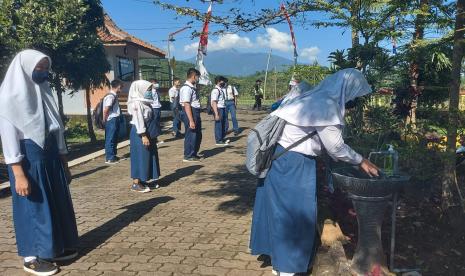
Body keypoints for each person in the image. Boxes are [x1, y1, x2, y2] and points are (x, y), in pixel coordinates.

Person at [249, 68, 380, 276]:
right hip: (294, 164)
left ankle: (279, 262)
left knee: (279, 212)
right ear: (347, 90)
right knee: (296, 214)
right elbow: (335, 146)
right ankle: (288, 269)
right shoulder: (326, 105)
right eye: (355, 96)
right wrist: (361, 161)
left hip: (280, 159)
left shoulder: (315, 96)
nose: (354, 102)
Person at [0, 49, 79, 276]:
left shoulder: (45, 92)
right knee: (33, 206)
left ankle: (54, 248)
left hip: (51, 157)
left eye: (46, 68)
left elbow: (57, 130)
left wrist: (64, 163)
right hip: (29, 160)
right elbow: (9, 139)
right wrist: (19, 174)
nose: (43, 72)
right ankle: (32, 256)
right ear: (25, 67)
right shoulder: (8, 97)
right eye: (38, 68)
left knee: (54, 203)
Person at [127, 80, 160, 193]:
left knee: (147, 156)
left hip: (147, 131)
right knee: (139, 157)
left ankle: (143, 180)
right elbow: (138, 120)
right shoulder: (137, 103)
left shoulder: (145, 102)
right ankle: (136, 183)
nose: (150, 92)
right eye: (148, 89)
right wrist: (143, 135)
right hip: (140, 133)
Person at [180, 68, 202, 162]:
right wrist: (191, 120)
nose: (198, 79)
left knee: (197, 134)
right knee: (191, 134)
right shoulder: (186, 88)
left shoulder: (192, 87)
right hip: (190, 112)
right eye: (197, 77)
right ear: (194, 76)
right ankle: (188, 155)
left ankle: (193, 153)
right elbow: (186, 104)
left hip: (195, 111)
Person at [103, 79, 124, 164]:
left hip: (114, 118)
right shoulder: (110, 96)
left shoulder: (114, 95)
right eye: (121, 87)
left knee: (114, 138)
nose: (121, 89)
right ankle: (110, 158)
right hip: (111, 119)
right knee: (110, 138)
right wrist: (105, 119)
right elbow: (106, 109)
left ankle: (113, 155)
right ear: (118, 86)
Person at [210, 76, 229, 146]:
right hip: (218, 109)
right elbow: (214, 102)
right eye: (222, 81)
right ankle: (218, 140)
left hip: (223, 108)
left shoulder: (220, 89)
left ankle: (222, 138)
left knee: (224, 124)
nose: (224, 82)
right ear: (218, 81)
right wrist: (216, 113)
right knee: (219, 125)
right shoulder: (215, 90)